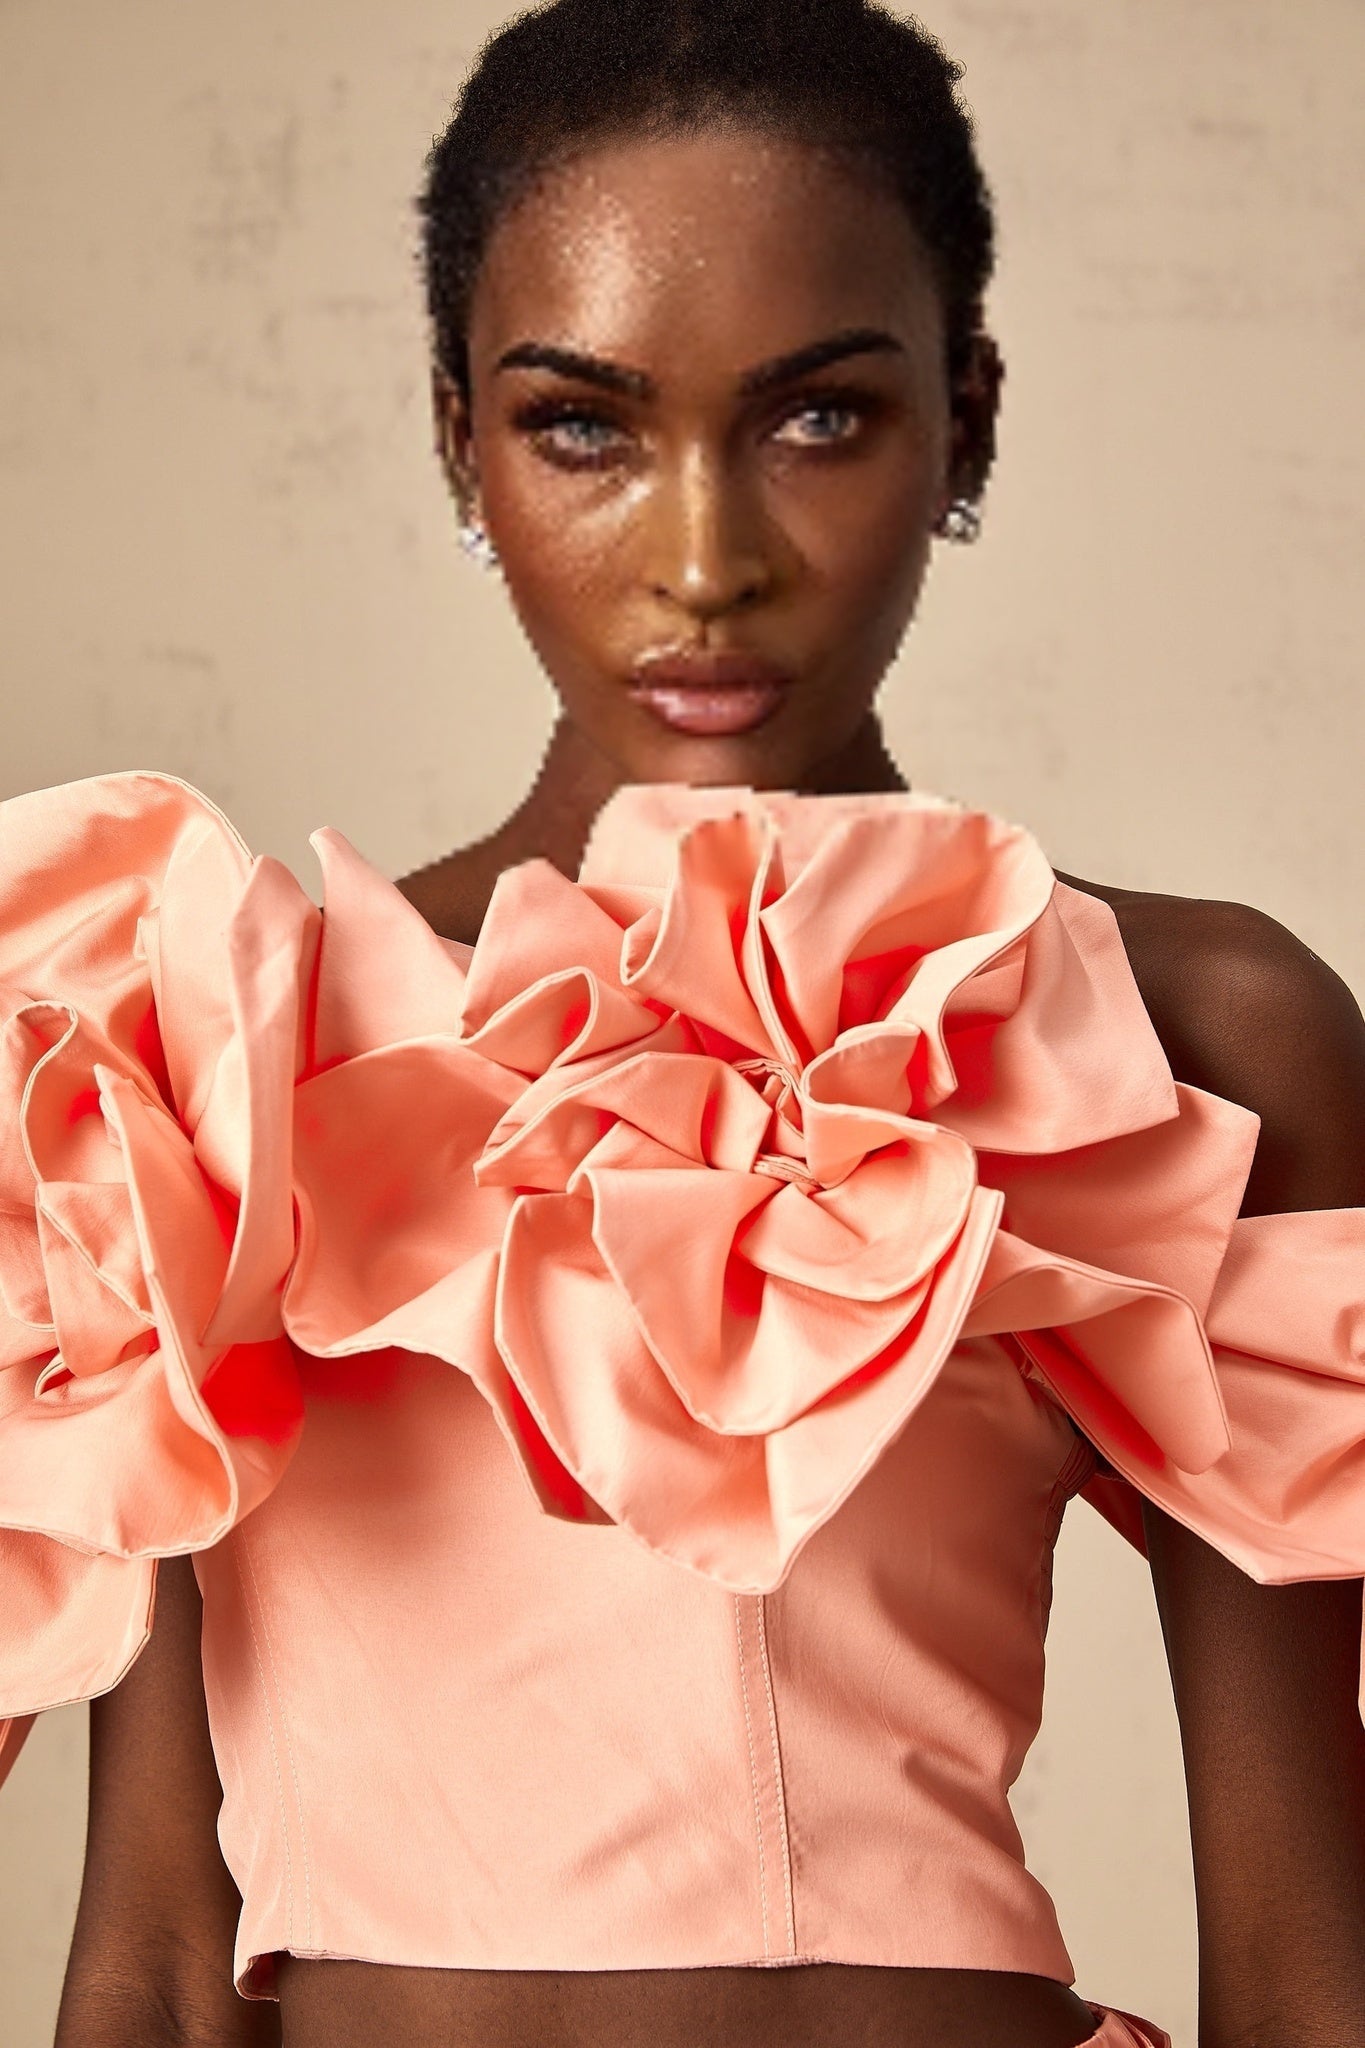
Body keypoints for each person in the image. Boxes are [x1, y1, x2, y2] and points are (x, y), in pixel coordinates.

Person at [1, 4, 1362, 2045]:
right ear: (458, 434)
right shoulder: (198, 1029)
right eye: (582, 427)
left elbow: (1300, 1958)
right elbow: (154, 1956)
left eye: (814, 417)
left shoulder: (1191, 1033)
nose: (703, 560)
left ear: (963, 423)